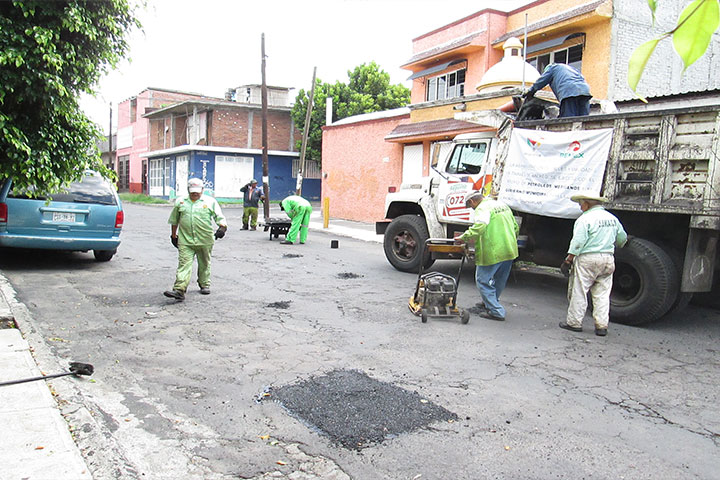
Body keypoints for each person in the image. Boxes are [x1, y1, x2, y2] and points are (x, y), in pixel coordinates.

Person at [560, 193, 627, 336]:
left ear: (586, 204)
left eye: (581, 204)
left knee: (579, 291)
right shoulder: (612, 219)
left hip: (588, 259)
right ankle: (601, 326)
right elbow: (622, 239)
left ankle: (574, 323)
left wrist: (568, 260)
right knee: (602, 294)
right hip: (608, 259)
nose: (580, 207)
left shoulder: (584, 219)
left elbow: (578, 242)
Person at [455, 191, 519, 321]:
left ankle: (496, 311)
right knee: (499, 279)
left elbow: (480, 226)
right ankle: (489, 303)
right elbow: (515, 227)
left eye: (471, 207)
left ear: (472, 201)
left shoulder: (482, 208)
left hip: (493, 250)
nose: (473, 209)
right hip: (509, 249)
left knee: (483, 280)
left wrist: (464, 237)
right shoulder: (501, 205)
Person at [164, 178, 227, 301]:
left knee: (204, 263)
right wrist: (173, 235)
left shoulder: (210, 202)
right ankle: (179, 289)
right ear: (188, 190)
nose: (195, 194)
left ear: (202, 190)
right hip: (185, 240)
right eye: (192, 191)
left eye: (197, 191)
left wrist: (222, 227)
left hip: (205, 239)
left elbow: (219, 217)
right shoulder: (180, 202)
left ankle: (204, 283)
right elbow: (174, 220)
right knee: (184, 264)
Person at [523, 63, 591, 117]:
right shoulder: (572, 69)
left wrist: (530, 91)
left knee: (569, 118)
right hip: (585, 91)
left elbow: (541, 81)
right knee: (583, 118)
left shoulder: (552, 68)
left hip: (569, 91)